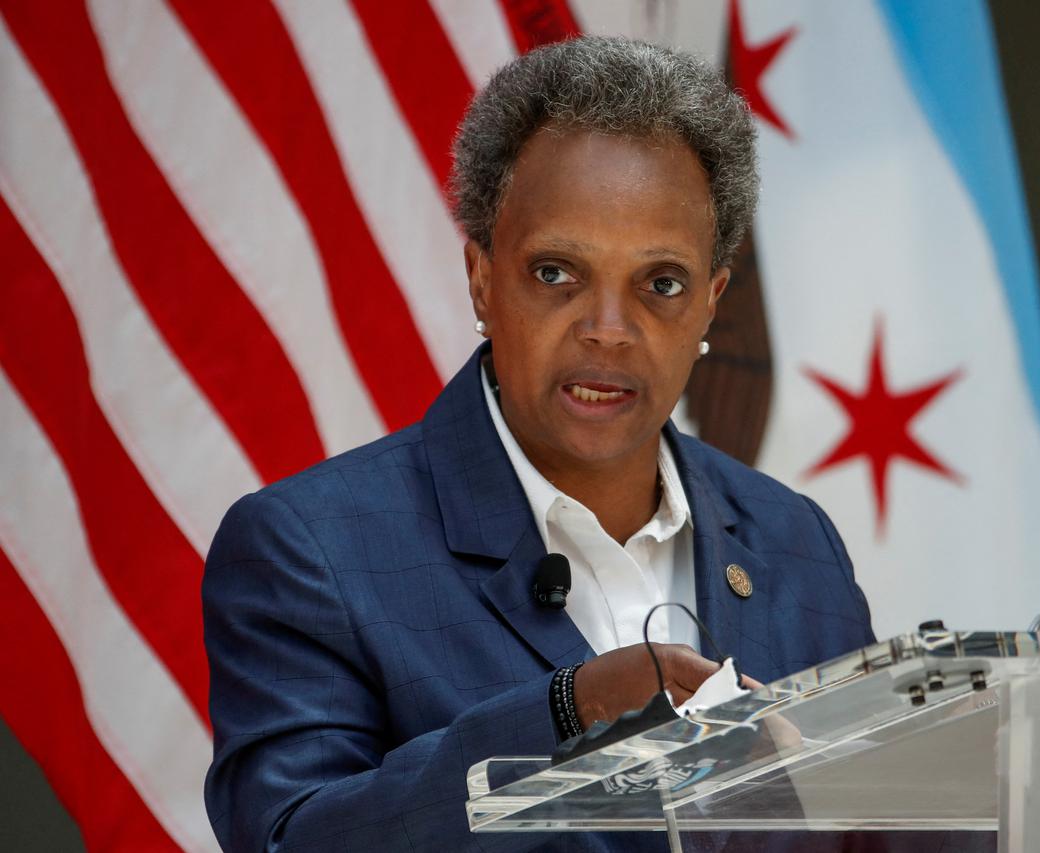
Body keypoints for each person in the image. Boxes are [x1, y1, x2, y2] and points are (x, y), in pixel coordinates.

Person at [203, 36, 875, 852]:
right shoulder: (310, 547)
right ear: (482, 279)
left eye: (660, 284)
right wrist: (568, 712)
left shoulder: (796, 541)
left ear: (711, 303)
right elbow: (289, 840)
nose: (609, 331)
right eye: (557, 273)